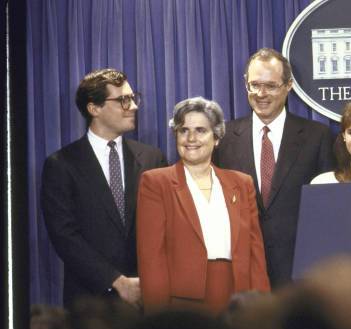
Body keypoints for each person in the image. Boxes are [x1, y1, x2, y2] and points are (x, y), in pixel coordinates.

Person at [41, 68, 167, 309]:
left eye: (133, 98)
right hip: (90, 304)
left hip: (146, 301)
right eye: (123, 100)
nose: (133, 106)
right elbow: (65, 236)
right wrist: (116, 282)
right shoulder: (61, 164)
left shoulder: (152, 158)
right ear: (94, 109)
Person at [214, 48, 334, 288]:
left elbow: (327, 210)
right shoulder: (224, 138)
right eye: (254, 85)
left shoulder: (316, 137)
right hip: (241, 274)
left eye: (270, 86)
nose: (261, 94)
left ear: (288, 86)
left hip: (301, 274)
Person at [137, 97, 270, 314]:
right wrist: (158, 318)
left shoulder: (241, 183)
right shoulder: (155, 182)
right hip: (182, 305)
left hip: (238, 299)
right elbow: (152, 259)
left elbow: (256, 255)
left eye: (201, 130)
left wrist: (262, 309)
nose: (191, 138)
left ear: (217, 137)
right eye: (183, 130)